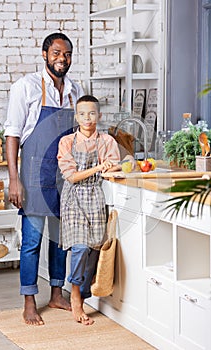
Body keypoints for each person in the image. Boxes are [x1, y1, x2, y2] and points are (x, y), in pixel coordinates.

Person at [4, 32, 84, 326]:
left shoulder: (76, 90)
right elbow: (12, 134)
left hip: (65, 176)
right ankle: (28, 301)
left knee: (61, 240)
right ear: (44, 54)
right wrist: (14, 179)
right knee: (32, 242)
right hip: (34, 175)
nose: (62, 59)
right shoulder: (25, 88)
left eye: (67, 54)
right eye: (57, 53)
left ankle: (56, 294)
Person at [57, 95, 134, 326]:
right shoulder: (67, 142)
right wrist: (100, 167)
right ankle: (75, 296)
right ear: (76, 116)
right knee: (80, 247)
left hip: (96, 198)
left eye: (92, 113)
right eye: (82, 114)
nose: (87, 118)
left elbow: (125, 160)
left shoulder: (107, 141)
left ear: (99, 116)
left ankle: (84, 290)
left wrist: (116, 165)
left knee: (93, 249)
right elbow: (71, 176)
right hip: (74, 199)